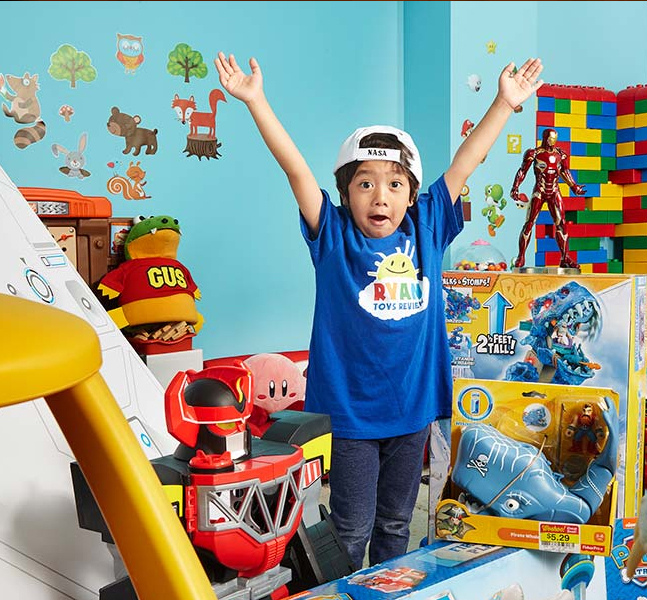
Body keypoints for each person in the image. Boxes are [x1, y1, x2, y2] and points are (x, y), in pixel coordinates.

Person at [214, 51, 544, 568]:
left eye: (394, 184)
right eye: (364, 183)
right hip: (351, 417)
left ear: (411, 195)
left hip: (412, 412)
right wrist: (256, 101)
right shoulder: (333, 235)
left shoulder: (427, 227)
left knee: (396, 524)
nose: (380, 196)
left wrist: (504, 103)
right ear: (346, 194)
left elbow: (466, 162)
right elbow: (296, 169)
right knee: (350, 529)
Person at [510, 127, 586, 269]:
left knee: (561, 224)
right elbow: (522, 171)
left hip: (554, 191)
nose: (553, 141)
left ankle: (565, 258)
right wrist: (515, 187)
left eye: (555, 138)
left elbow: (564, 171)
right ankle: (521, 257)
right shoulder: (534, 154)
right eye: (551, 138)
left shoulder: (560, 154)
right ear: (545, 138)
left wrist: (574, 186)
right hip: (540, 190)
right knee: (529, 223)